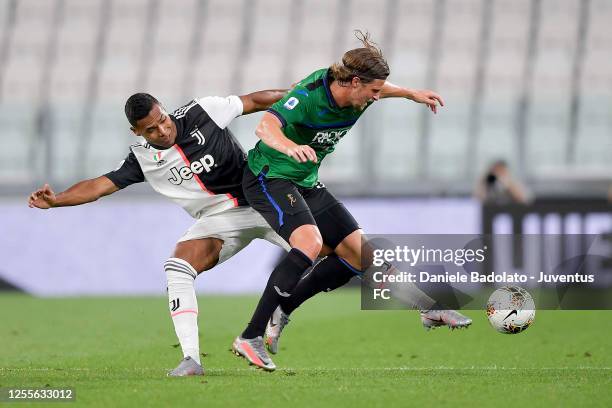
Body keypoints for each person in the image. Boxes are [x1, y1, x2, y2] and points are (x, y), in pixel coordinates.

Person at [230, 31, 472, 371]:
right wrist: (290, 146)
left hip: (305, 180)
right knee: (309, 243)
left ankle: (426, 308)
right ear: (354, 82)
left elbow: (383, 88)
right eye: (372, 91)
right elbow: (265, 127)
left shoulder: (363, 91)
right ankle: (250, 336)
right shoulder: (308, 95)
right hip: (268, 177)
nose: (376, 97)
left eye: (379, 91)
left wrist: (410, 94)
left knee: (360, 255)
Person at [28, 89, 291, 376]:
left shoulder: (202, 112)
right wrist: (57, 200)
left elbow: (253, 101)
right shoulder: (142, 159)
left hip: (263, 202)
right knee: (177, 268)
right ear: (136, 132)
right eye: (150, 130)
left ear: (164, 109)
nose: (163, 131)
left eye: (163, 120)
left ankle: (286, 305)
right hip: (219, 221)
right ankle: (191, 360)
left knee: (336, 251)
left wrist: (299, 95)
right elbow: (99, 186)